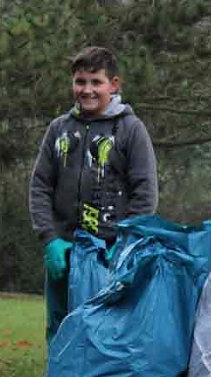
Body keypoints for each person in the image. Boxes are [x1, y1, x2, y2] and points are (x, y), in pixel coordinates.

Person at [29, 46, 158, 341]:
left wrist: (124, 243)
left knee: (104, 330)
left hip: (108, 252)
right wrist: (49, 239)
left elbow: (145, 194)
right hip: (64, 250)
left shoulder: (130, 129)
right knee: (60, 327)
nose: (87, 90)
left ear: (114, 85)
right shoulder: (58, 129)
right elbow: (39, 186)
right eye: (80, 81)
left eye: (95, 82)